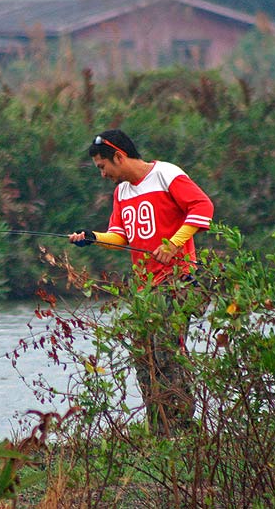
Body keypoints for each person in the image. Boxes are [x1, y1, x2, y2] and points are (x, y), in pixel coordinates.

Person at [69, 129, 214, 434]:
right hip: (146, 289)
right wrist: (92, 238)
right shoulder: (122, 193)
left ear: (119, 156)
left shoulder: (166, 175)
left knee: (167, 354)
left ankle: (183, 433)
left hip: (178, 281)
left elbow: (203, 208)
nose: (103, 174)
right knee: (144, 357)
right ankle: (161, 432)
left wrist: (174, 244)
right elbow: (120, 238)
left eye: (103, 167)